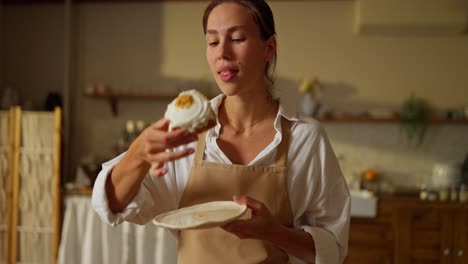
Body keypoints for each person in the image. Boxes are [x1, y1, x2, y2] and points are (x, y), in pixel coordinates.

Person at [92, 0, 350, 263]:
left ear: (269, 48)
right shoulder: (182, 133)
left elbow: (333, 247)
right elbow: (111, 205)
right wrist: (139, 154)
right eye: (213, 42)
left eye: (237, 38)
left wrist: (275, 233)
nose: (222, 53)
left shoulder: (305, 138)